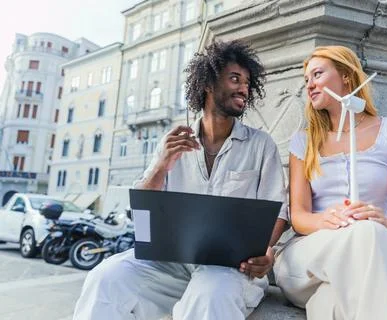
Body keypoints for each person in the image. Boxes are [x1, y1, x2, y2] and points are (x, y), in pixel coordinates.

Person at [73, 40, 287, 320]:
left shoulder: (261, 145)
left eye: (247, 82)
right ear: (208, 83)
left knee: (211, 293)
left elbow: (278, 213)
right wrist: (161, 165)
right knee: (106, 278)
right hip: (169, 265)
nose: (244, 88)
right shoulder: (172, 142)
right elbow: (143, 210)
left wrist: (264, 252)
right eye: (235, 79)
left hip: (229, 268)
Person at [273, 45, 387, 320]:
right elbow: (298, 216)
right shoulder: (304, 141)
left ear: (346, 75)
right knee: (369, 239)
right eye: (307, 79)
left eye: (317, 74)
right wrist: (324, 221)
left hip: (371, 248)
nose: (310, 85)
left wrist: (382, 224)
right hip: (308, 257)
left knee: (330, 302)